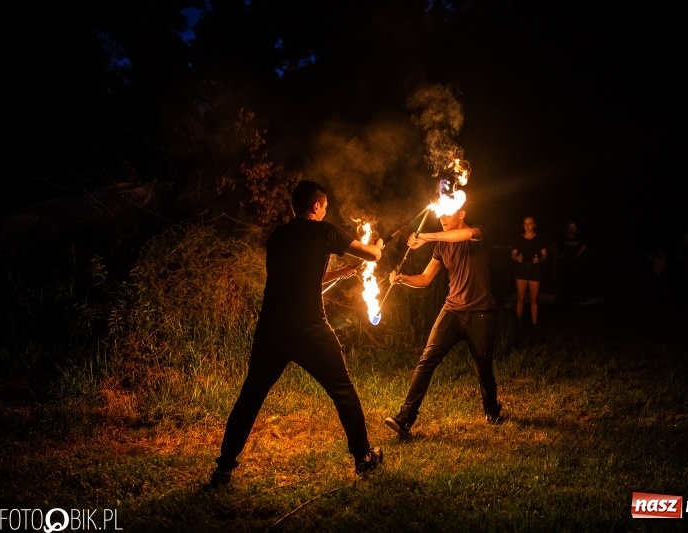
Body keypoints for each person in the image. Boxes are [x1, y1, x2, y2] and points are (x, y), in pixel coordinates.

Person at [209, 180, 384, 487]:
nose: (326, 210)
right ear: (316, 206)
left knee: (251, 395)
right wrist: (379, 248)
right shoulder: (325, 231)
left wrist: (341, 272)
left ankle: (223, 468)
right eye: (325, 206)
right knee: (342, 389)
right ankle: (363, 456)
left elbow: (299, 274)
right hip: (309, 328)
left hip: (272, 328)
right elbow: (372, 256)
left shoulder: (278, 236)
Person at [383, 206, 502, 437]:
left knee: (483, 370)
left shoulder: (477, 233)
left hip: (481, 314)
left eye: (448, 213)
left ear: (462, 213)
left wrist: (425, 236)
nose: (442, 217)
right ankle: (405, 418)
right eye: (440, 214)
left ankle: (492, 410)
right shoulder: (442, 245)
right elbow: (426, 279)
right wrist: (402, 279)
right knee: (426, 361)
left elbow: (465, 235)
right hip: (452, 311)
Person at [511, 216, 547, 327]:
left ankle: (534, 324)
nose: (527, 226)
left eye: (530, 223)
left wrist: (539, 259)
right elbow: (513, 254)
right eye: (525, 223)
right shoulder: (519, 239)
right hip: (522, 270)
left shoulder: (539, 239)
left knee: (534, 299)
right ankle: (518, 323)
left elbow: (545, 254)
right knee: (520, 298)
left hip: (535, 271)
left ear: (534, 225)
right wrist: (517, 258)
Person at [556, 221, 586, 305]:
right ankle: (561, 297)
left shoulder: (578, 238)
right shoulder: (563, 238)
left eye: (574, 227)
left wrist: (577, 255)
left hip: (573, 263)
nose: (572, 229)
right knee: (562, 280)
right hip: (563, 263)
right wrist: (560, 255)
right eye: (570, 227)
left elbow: (583, 246)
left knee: (571, 280)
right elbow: (557, 248)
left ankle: (569, 298)